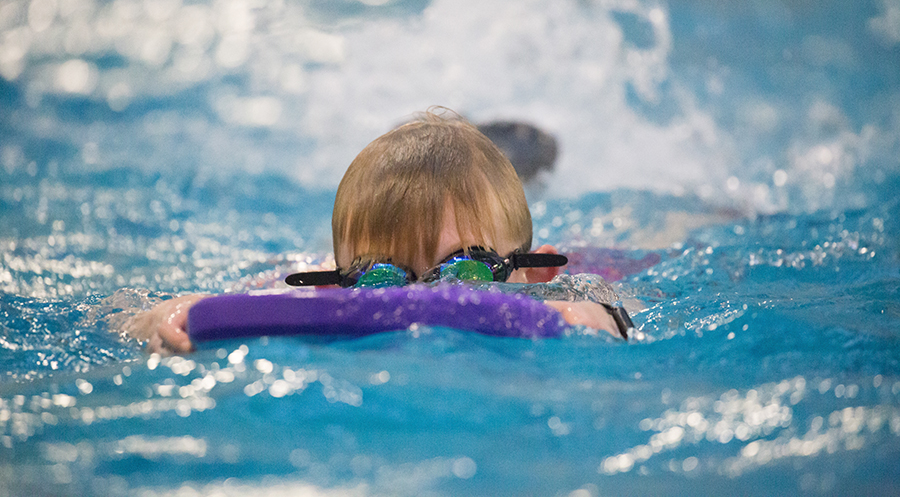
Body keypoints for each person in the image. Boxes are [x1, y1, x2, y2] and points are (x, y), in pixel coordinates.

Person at [124, 109, 624, 353]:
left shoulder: (562, 288)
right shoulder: (319, 280)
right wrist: (159, 317)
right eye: (384, 281)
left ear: (535, 275)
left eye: (468, 271)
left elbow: (610, 311)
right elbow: (121, 310)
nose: (421, 302)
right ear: (332, 287)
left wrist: (595, 318)